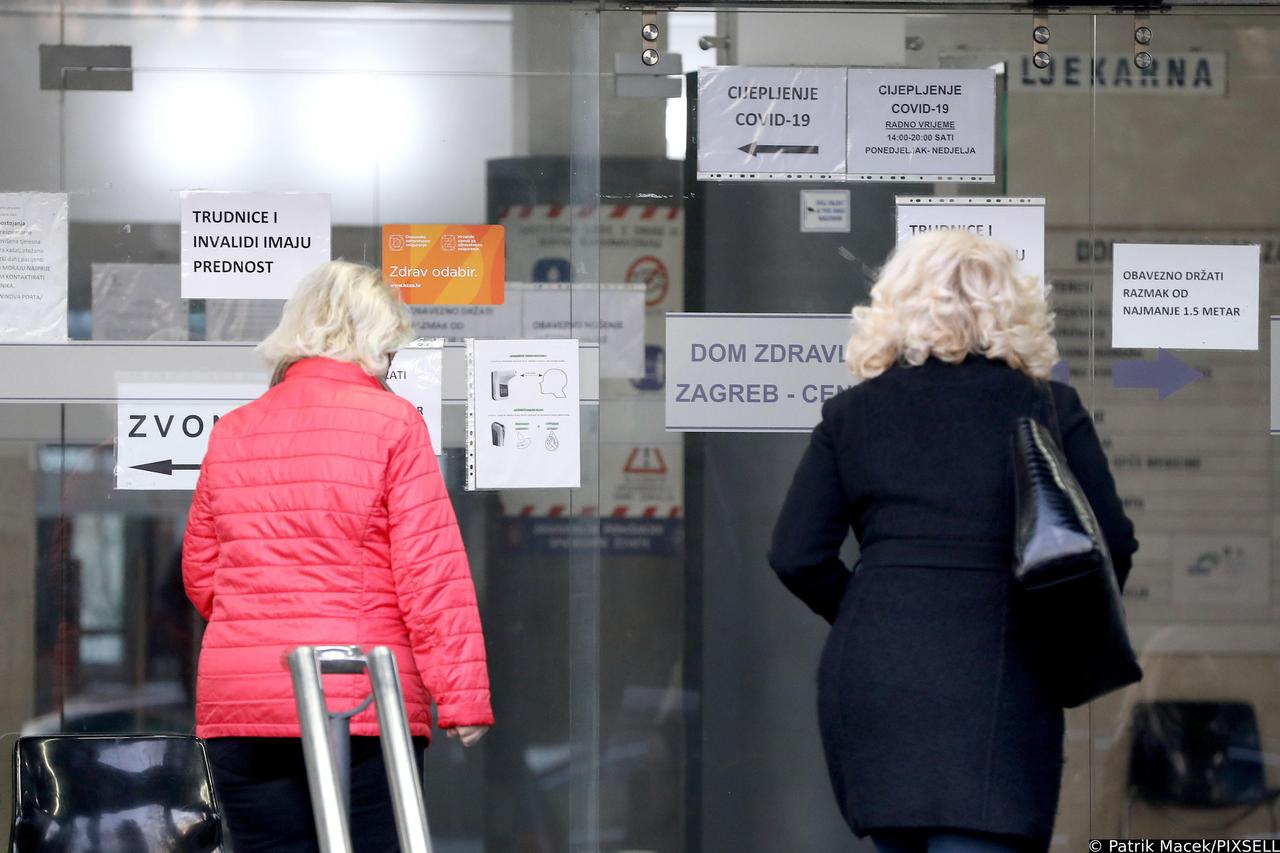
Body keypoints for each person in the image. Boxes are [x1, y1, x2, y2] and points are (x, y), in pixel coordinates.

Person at [768, 230, 1137, 853]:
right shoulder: (1049, 407)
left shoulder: (853, 413)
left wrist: (866, 610)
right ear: (1013, 307)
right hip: (1001, 675)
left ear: (897, 305)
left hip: (878, 677)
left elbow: (795, 554)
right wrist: (1059, 630)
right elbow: (1112, 544)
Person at [182, 260, 493, 852]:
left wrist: (261, 627)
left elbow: (202, 574)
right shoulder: (393, 424)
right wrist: (461, 696)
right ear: (373, 339)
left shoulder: (234, 430)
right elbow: (429, 572)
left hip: (244, 708)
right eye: (391, 347)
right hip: (361, 702)